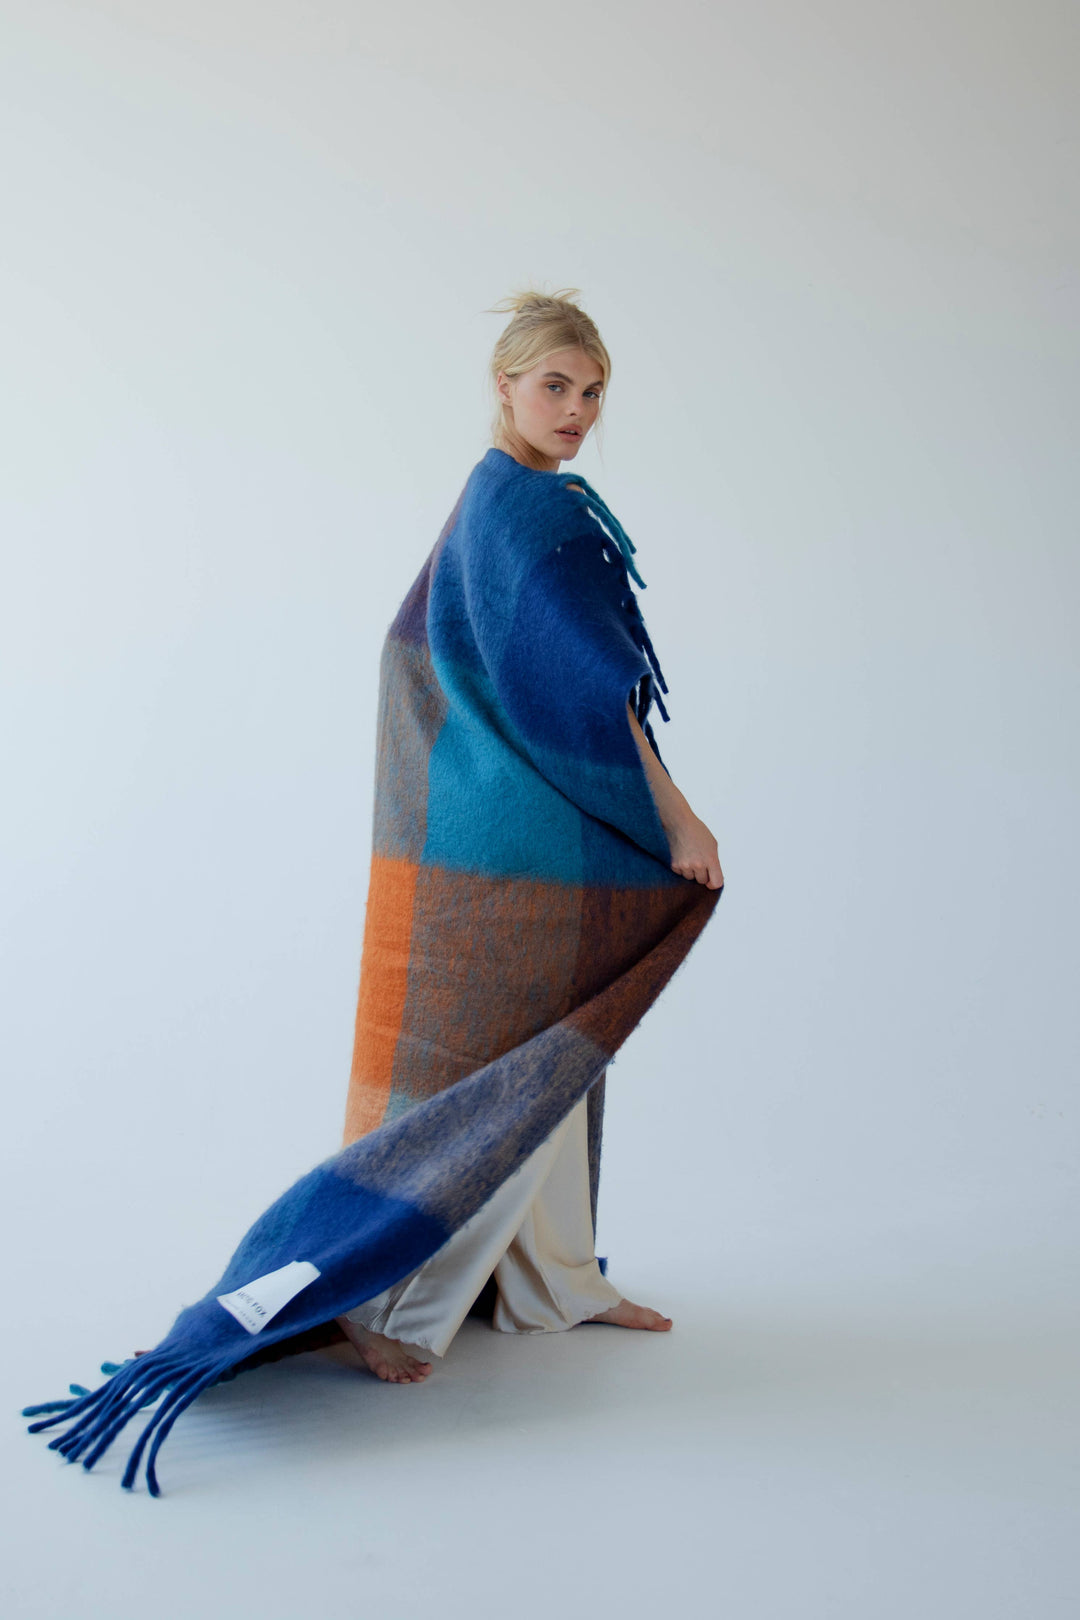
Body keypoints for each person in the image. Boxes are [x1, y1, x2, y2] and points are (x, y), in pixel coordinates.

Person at [333, 290, 723, 1385]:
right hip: (502, 832)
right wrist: (677, 816)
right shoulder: (521, 510)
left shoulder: (508, 499)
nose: (577, 409)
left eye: (592, 392)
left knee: (544, 1054)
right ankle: (395, 1306)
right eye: (555, 385)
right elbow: (592, 697)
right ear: (502, 386)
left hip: (512, 823)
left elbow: (507, 676)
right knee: (485, 1063)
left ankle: (555, 1282)